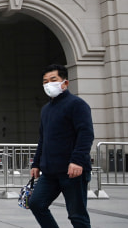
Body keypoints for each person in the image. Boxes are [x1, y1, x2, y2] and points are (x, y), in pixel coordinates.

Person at [29, 64, 94, 228]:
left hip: (73, 171)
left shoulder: (77, 105)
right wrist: (36, 163)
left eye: (53, 80)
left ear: (65, 83)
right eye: (45, 81)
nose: (48, 84)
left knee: (77, 215)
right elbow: (43, 139)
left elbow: (86, 134)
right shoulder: (46, 110)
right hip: (50, 171)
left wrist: (77, 160)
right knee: (36, 203)